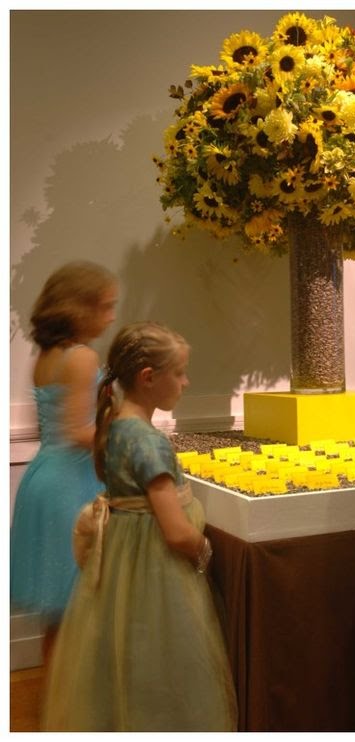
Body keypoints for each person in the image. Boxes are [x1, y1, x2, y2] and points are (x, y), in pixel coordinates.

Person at [41, 321, 238, 731]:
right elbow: (175, 531)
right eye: (180, 372)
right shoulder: (147, 440)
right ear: (149, 378)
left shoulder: (115, 425)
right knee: (162, 662)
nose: (187, 382)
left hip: (122, 562)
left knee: (124, 655)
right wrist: (205, 553)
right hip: (156, 569)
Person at [10, 260, 118, 662]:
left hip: (44, 475)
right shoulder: (81, 357)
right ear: (80, 309)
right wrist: (124, 433)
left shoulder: (45, 357)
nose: (111, 317)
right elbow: (78, 431)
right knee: (80, 602)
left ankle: (57, 708)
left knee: (60, 615)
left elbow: (53, 428)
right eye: (107, 307)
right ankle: (77, 709)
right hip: (72, 484)